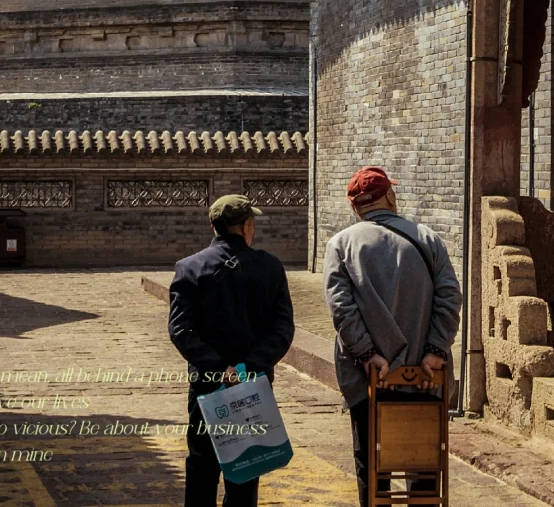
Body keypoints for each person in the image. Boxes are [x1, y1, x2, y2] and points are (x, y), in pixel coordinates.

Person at [323, 167, 462, 507]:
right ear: (389, 196)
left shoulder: (340, 245)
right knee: (425, 466)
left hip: (369, 378)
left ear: (355, 207)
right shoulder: (427, 238)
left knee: (372, 468)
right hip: (426, 377)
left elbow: (341, 310)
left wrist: (368, 354)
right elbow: (449, 297)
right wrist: (434, 350)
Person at [169, 194, 295, 507]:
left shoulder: (189, 268)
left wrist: (217, 367)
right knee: (246, 466)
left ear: (213, 226)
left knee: (202, 463)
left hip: (207, 384)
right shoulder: (269, 267)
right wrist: (248, 367)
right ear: (246, 226)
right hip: (253, 385)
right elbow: (282, 330)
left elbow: (180, 330)